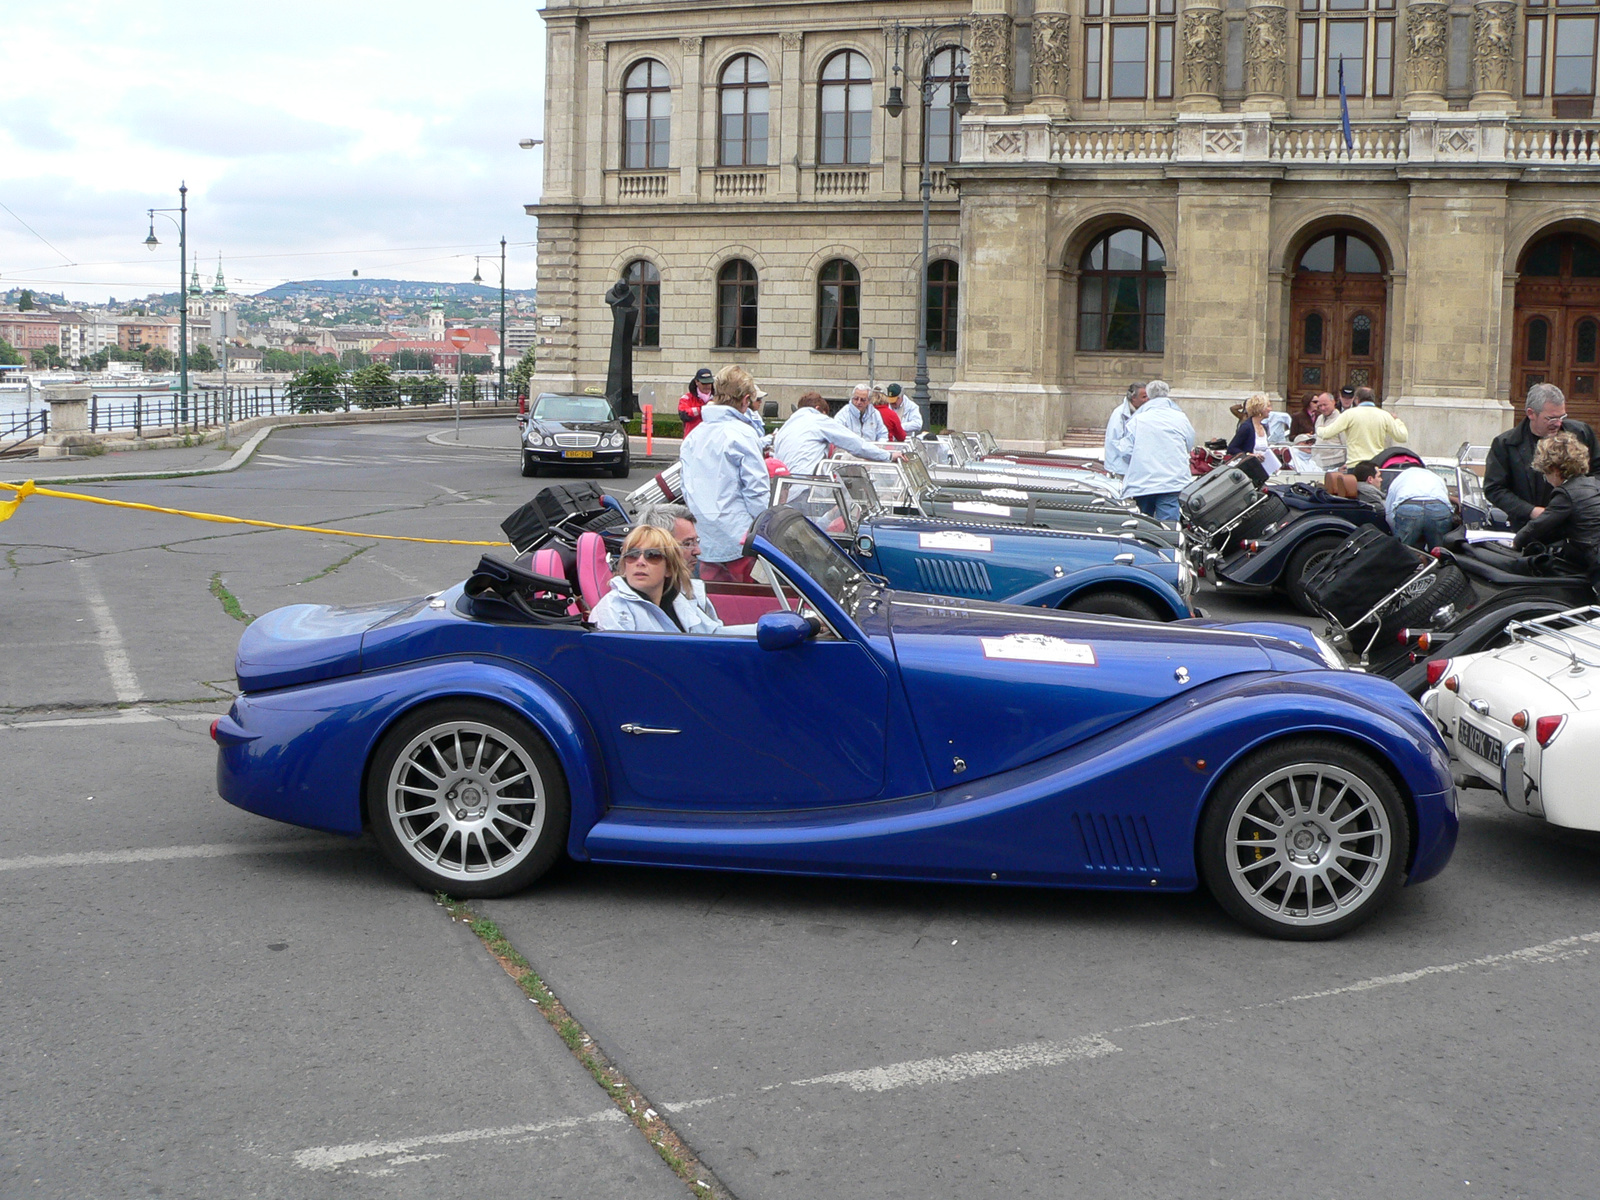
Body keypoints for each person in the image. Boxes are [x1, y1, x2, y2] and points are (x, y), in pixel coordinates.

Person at [679, 364, 768, 582]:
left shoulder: (693, 437)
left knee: (713, 602)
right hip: (740, 539)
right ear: (746, 400)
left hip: (705, 538)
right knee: (749, 602)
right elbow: (757, 489)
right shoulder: (743, 434)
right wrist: (761, 531)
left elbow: (685, 488)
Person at [1485, 382, 1600, 530]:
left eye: (1562, 416)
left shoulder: (1581, 433)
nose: (1558, 423)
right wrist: (1531, 511)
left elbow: (1598, 471)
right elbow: (1494, 489)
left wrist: (1583, 500)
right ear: (1531, 413)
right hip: (1529, 528)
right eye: (1551, 418)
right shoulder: (1505, 444)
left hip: (1578, 526)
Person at [588, 525, 726, 634]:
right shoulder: (611, 610)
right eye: (632, 554)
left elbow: (714, 636)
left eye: (652, 555)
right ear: (624, 564)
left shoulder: (682, 599)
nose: (640, 562)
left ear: (669, 569)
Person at [1512, 432, 1600, 574]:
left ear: (1554, 470)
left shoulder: (1566, 494)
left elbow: (1538, 525)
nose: (1546, 480)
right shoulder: (1593, 484)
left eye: (1545, 474)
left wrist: (1516, 542)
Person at [1111, 379, 1194, 521]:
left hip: (1143, 482)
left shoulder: (1138, 420)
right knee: (1168, 525)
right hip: (1172, 480)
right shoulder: (1180, 418)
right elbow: (1189, 443)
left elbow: (1126, 451)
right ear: (1167, 393)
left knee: (1144, 523)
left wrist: (1140, 462)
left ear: (1149, 395)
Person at [633, 503, 719, 623]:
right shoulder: (626, 612)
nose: (698, 551)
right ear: (658, 547)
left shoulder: (691, 590)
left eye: (696, 541)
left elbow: (714, 633)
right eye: (687, 544)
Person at [772, 392, 893, 477]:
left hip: (785, 487)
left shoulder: (785, 427)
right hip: (806, 484)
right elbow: (854, 444)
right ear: (818, 409)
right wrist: (888, 456)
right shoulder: (818, 419)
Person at [1311, 385, 1408, 465]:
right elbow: (1402, 437)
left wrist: (1319, 428)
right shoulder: (1384, 415)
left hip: (1355, 464)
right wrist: (1397, 420)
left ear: (1356, 400)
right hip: (1375, 464)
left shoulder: (1349, 414)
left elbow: (1326, 434)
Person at [1384, 463, 1454, 550]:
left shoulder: (1401, 477)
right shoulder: (1434, 476)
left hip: (1408, 507)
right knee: (1440, 552)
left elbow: (1389, 512)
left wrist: (1395, 531)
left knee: (1402, 552)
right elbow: (1445, 496)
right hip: (1438, 508)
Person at [1226, 393, 1282, 478]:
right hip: (1249, 471)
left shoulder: (1264, 427)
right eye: (1268, 406)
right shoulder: (1247, 427)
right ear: (1260, 409)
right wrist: (1249, 455)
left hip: (1264, 471)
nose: (1270, 409)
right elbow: (1232, 448)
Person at [1103, 382, 1145, 476]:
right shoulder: (1119, 414)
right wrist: (1134, 458)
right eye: (1144, 397)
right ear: (1134, 398)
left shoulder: (1142, 412)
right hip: (1120, 468)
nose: (1147, 400)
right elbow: (1116, 442)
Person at [678, 368, 715, 436]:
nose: (707, 386)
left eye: (709, 383)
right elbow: (684, 415)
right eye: (704, 383)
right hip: (692, 440)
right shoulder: (687, 399)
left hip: (711, 440)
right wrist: (702, 409)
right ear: (696, 382)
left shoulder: (718, 398)